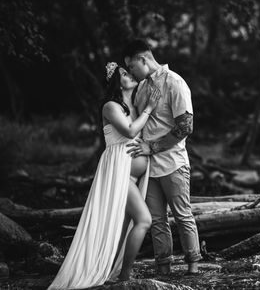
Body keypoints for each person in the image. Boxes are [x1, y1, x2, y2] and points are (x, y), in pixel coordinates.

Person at [47, 62, 160, 289]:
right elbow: (129, 131)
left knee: (121, 226)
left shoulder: (134, 105)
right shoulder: (110, 106)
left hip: (132, 176)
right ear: (118, 83)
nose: (130, 75)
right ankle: (125, 277)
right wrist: (149, 108)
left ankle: (114, 271)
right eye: (125, 74)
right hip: (119, 172)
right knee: (144, 220)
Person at [124, 39, 202, 275]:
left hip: (173, 163)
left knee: (182, 215)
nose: (131, 73)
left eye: (131, 68)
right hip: (148, 167)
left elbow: (186, 126)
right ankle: (163, 268)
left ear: (143, 59)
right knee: (157, 221)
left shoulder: (175, 82)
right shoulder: (142, 89)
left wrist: (152, 147)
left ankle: (193, 267)